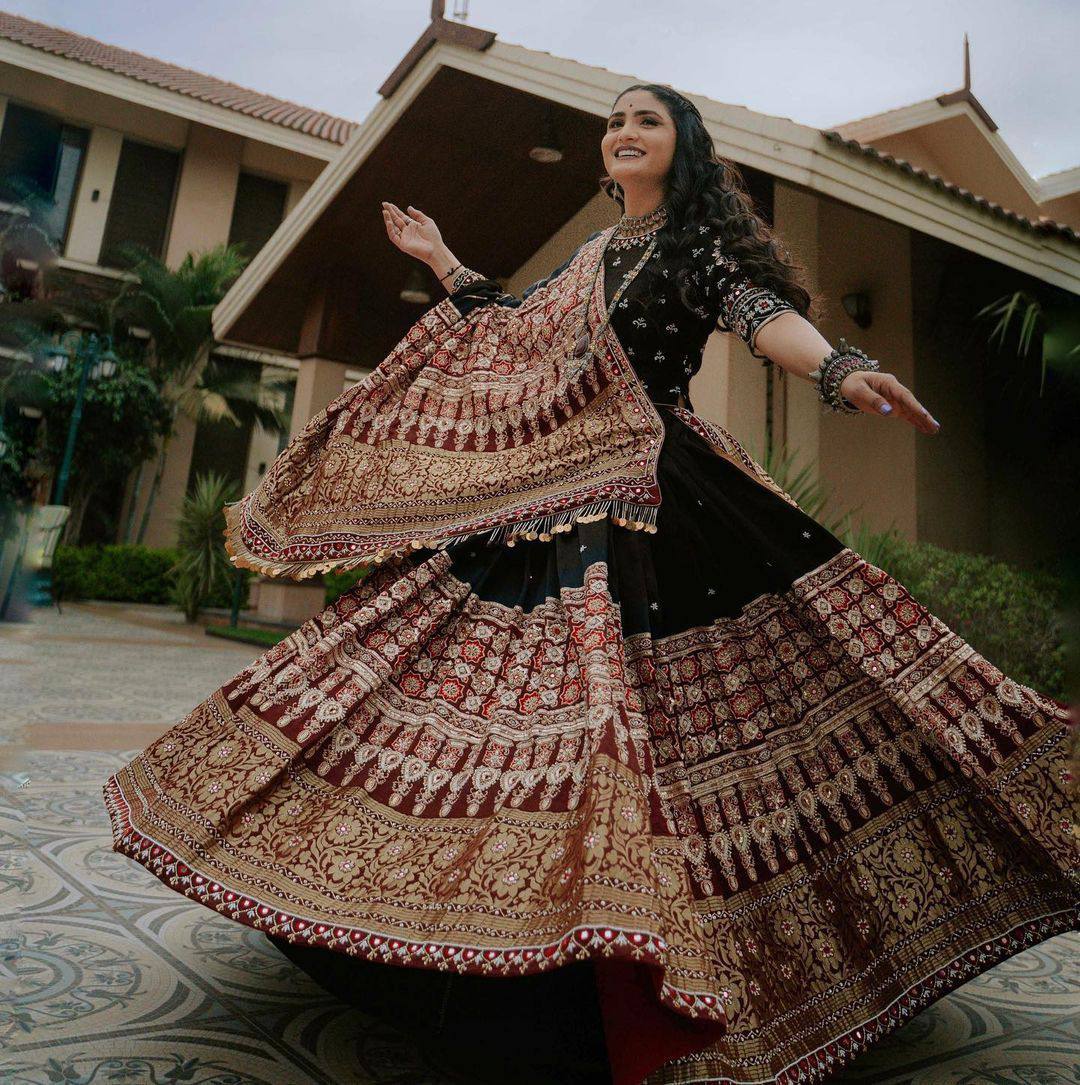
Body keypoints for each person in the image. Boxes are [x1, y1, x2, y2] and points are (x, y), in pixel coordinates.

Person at [104, 84, 1078, 1085]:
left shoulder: (696, 247)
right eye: (613, 121)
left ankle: (637, 981)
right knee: (461, 708)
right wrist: (442, 262)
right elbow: (521, 334)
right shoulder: (587, 259)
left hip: (664, 508)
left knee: (659, 734)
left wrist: (840, 371)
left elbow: (762, 314)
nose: (621, 132)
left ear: (682, 148)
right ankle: (481, 952)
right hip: (550, 505)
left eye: (645, 121)